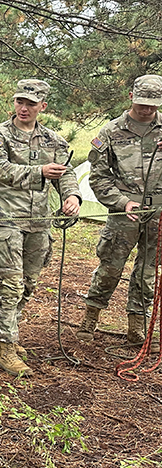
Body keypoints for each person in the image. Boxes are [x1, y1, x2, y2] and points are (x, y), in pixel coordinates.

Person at [0, 79, 80, 377]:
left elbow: (66, 172)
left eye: (31, 104)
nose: (23, 108)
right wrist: (38, 172)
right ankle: (5, 346)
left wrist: (72, 196)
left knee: (27, 284)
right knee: (9, 285)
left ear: (42, 106)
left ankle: (8, 330)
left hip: (38, 223)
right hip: (6, 220)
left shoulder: (52, 140)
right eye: (19, 102)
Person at [77, 75, 162, 347]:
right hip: (124, 212)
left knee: (147, 271)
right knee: (110, 267)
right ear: (131, 97)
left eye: (152, 105)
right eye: (141, 104)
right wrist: (122, 202)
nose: (147, 109)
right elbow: (98, 177)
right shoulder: (111, 132)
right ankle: (90, 318)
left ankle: (137, 327)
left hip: (158, 213)